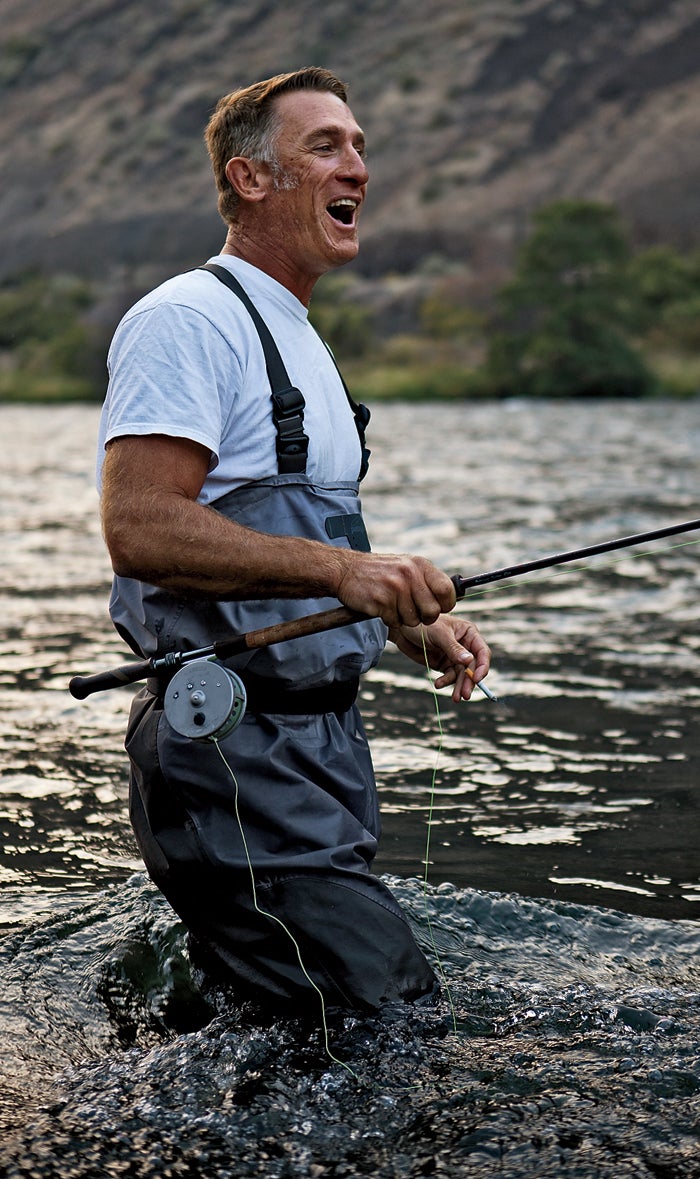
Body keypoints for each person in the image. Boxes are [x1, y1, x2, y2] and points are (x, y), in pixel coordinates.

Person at [98, 67, 491, 1014]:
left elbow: (300, 538)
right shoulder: (188, 321)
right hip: (235, 749)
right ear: (250, 179)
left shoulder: (302, 337)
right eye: (325, 146)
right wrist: (349, 570)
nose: (355, 164)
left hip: (320, 748)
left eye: (359, 146)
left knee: (290, 1022)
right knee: (386, 1015)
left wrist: (401, 622)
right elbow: (139, 524)